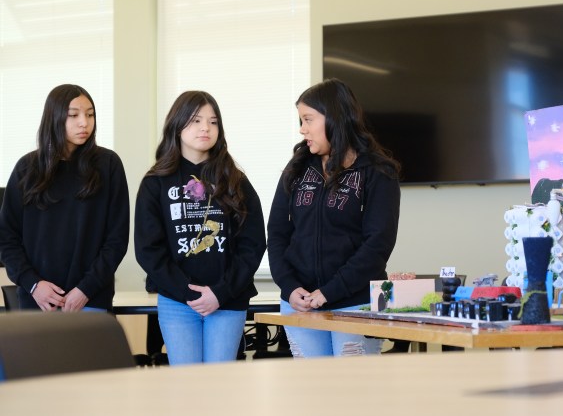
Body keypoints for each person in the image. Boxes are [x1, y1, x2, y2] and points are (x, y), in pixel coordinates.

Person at [267, 78, 401, 358]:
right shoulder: (297, 168)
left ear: (334, 117)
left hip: (358, 302)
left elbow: (378, 245)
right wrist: (289, 287)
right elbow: (277, 233)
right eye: (301, 120)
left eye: (308, 119)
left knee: (354, 386)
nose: (302, 129)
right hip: (300, 303)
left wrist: (329, 291)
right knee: (311, 385)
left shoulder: (378, 172)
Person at [134, 91, 266, 365]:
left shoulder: (235, 180)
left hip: (227, 299)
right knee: (187, 383)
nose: (205, 127)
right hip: (177, 301)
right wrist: (188, 293)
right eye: (196, 120)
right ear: (177, 125)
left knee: (220, 382)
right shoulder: (155, 182)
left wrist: (221, 292)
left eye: (213, 121)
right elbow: (148, 250)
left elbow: (252, 244)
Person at [0, 84, 129, 312]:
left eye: (90, 114)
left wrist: (85, 290)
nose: (84, 122)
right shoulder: (27, 168)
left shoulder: (108, 165)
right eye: (73, 115)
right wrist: (33, 284)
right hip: (38, 303)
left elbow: (116, 240)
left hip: (90, 300)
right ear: (54, 117)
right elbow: (6, 238)